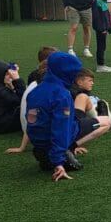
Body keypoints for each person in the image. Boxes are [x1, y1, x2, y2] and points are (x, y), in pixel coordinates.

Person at [25, 52, 92, 181]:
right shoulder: (61, 95)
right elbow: (61, 128)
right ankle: (63, 153)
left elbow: (31, 121)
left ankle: (48, 153)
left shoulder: (35, 91)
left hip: (38, 142)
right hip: (50, 141)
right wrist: (58, 162)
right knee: (98, 123)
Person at [91, 0, 111, 73]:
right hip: (101, 29)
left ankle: (101, 65)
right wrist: (102, 29)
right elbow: (97, 18)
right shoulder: (96, 2)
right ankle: (100, 66)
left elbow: (106, 16)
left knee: (103, 46)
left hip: (104, 28)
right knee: (101, 47)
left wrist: (109, 27)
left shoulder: (102, 1)